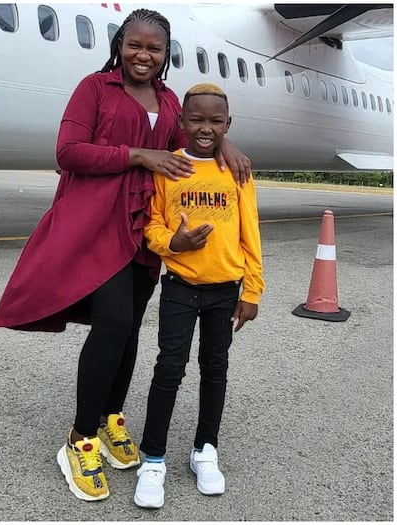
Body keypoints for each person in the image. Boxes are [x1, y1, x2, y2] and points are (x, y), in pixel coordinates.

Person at [0, 9, 252, 502]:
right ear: (120, 43)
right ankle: (80, 437)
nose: (143, 55)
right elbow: (68, 151)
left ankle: (111, 416)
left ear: (165, 54)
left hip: (145, 229)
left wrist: (228, 141)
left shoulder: (171, 99)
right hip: (98, 223)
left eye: (154, 48)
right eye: (135, 44)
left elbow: (195, 134)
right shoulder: (95, 88)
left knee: (130, 326)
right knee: (112, 323)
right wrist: (137, 154)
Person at [133, 83, 263, 509]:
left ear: (228, 125)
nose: (205, 128)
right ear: (181, 122)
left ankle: (205, 449)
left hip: (225, 290)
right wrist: (175, 242)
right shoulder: (169, 169)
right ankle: (153, 459)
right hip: (180, 289)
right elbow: (151, 225)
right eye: (197, 120)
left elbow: (250, 233)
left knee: (215, 369)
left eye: (215, 121)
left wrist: (253, 291)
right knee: (168, 369)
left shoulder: (238, 172)